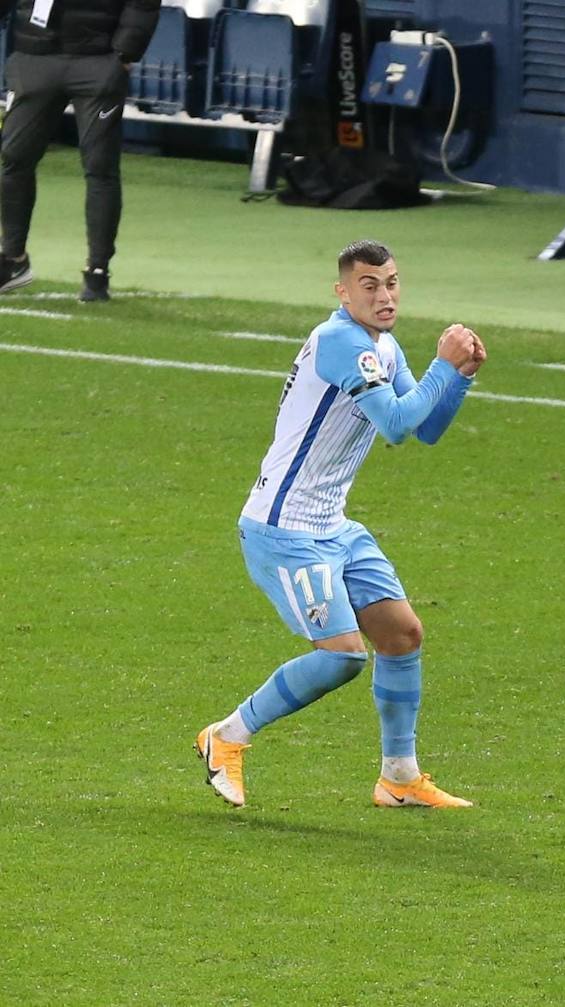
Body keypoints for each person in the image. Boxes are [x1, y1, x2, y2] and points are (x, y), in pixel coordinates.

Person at [196, 239, 488, 810]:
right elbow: (398, 424)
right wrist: (440, 366)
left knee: (402, 635)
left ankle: (399, 779)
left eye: (392, 283)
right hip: (285, 529)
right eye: (370, 285)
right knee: (343, 655)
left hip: (334, 526)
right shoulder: (338, 342)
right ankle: (225, 736)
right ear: (343, 291)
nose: (385, 296)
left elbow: (424, 429)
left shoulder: (384, 346)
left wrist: (459, 379)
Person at [0, 0, 160, 300]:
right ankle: (13, 259)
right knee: (14, 158)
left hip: (97, 60)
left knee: (100, 167)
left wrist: (125, 52)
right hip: (34, 57)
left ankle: (97, 270)